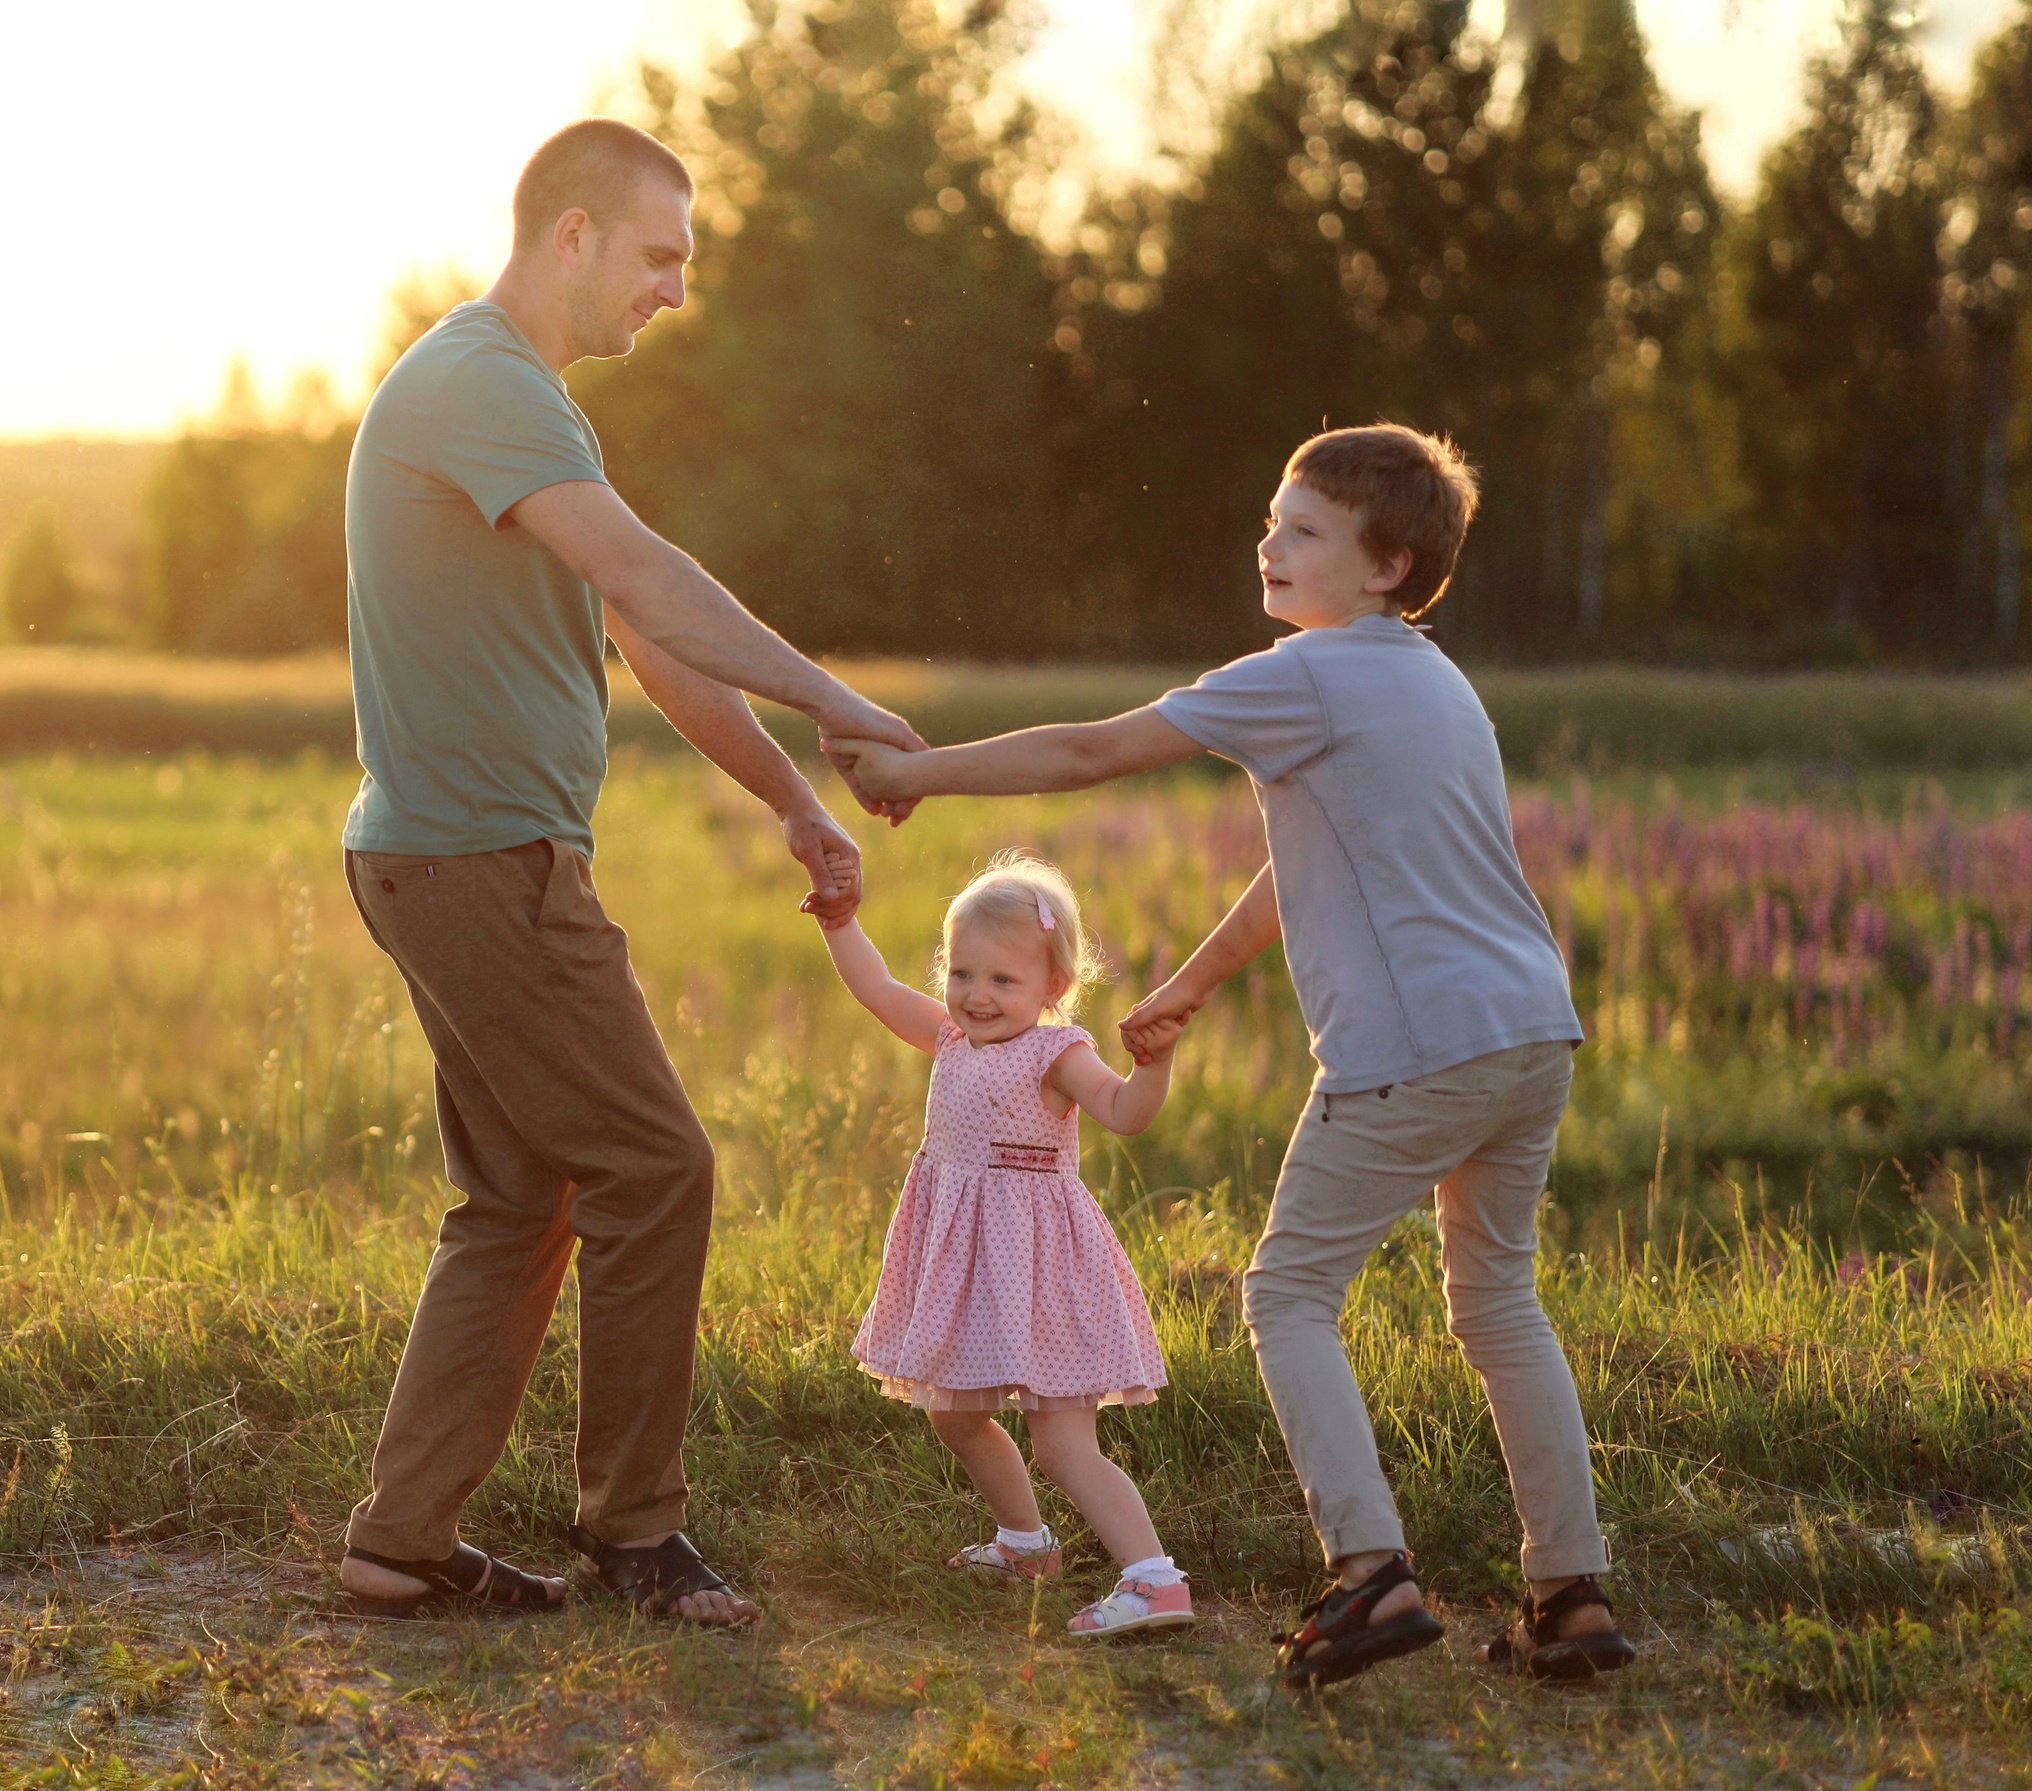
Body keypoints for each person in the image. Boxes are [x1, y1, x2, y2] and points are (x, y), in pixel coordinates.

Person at [825, 424, 1637, 1683]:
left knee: (1287, 1296)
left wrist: (915, 769)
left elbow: (1092, 748)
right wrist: (1192, 983)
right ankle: (1568, 1593)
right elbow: (1301, 862)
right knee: (1497, 1304)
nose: (1270, 543)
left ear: (1386, 567)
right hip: (1528, 1032)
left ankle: (1367, 1576)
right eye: (1272, 518)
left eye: (1303, 529)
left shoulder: (1304, 674)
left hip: (1408, 1049)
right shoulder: (1432, 681)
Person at [335, 117, 925, 1627]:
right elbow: (654, 576)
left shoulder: (523, 405)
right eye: (662, 254)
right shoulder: (478, 378)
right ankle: (638, 1532)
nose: (678, 287)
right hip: (482, 862)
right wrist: (842, 702)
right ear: (575, 233)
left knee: (521, 1196)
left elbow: (641, 634)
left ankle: (402, 1544)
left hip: (449, 853)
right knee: (658, 1169)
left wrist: (793, 793)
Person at [807, 848, 1194, 1637]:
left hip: (1044, 1270)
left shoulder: (1059, 1053)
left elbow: (1125, 1112)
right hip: (970, 1269)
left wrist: (1154, 1064)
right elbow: (878, 990)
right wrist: (841, 923)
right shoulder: (951, 1037)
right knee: (952, 1414)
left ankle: (1155, 1579)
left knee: (1062, 1441)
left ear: (1053, 985)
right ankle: (1026, 1544)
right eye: (963, 973)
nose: (976, 996)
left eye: (1003, 980)